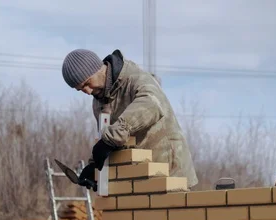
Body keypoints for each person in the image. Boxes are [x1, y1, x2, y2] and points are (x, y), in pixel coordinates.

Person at [61, 49, 198, 190]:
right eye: (80, 89)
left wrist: (111, 138)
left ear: (98, 69)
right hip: (139, 175)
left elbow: (151, 104)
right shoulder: (99, 102)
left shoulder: (134, 78)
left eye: (87, 83)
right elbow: (108, 141)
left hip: (168, 167)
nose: (88, 91)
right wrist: (95, 166)